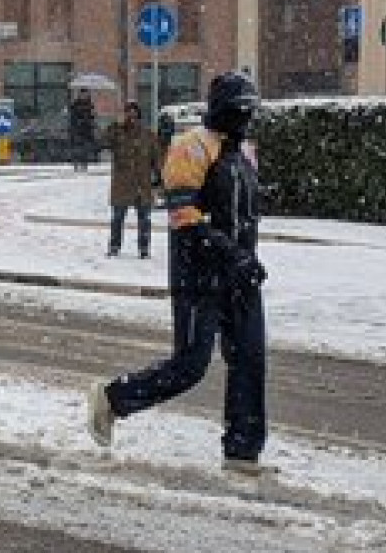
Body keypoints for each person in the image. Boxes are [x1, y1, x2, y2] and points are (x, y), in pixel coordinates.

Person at [87, 72, 269, 475]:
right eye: (239, 111)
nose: (245, 119)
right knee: (190, 365)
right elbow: (184, 217)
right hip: (198, 275)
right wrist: (230, 254)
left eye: (250, 112)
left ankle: (243, 452)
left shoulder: (245, 152)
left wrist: (247, 259)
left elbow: (247, 213)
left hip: (240, 276)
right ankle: (113, 399)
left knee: (250, 359)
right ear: (221, 109)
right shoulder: (191, 147)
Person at [105, 101, 162, 259]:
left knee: (144, 219)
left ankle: (144, 249)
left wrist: (158, 178)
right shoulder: (117, 133)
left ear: (139, 116)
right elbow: (104, 142)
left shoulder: (148, 135)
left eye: (134, 115)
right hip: (122, 184)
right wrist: (115, 125)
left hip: (142, 184)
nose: (131, 118)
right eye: (128, 114)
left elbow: (156, 158)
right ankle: (114, 246)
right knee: (118, 218)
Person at [68, 88, 96, 171]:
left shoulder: (90, 104)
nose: (84, 96)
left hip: (87, 128)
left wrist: (91, 119)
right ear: (80, 95)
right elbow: (72, 117)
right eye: (83, 94)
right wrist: (78, 121)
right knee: (77, 147)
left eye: (86, 94)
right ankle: (76, 163)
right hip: (77, 129)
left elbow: (92, 116)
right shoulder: (75, 105)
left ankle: (84, 163)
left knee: (85, 147)